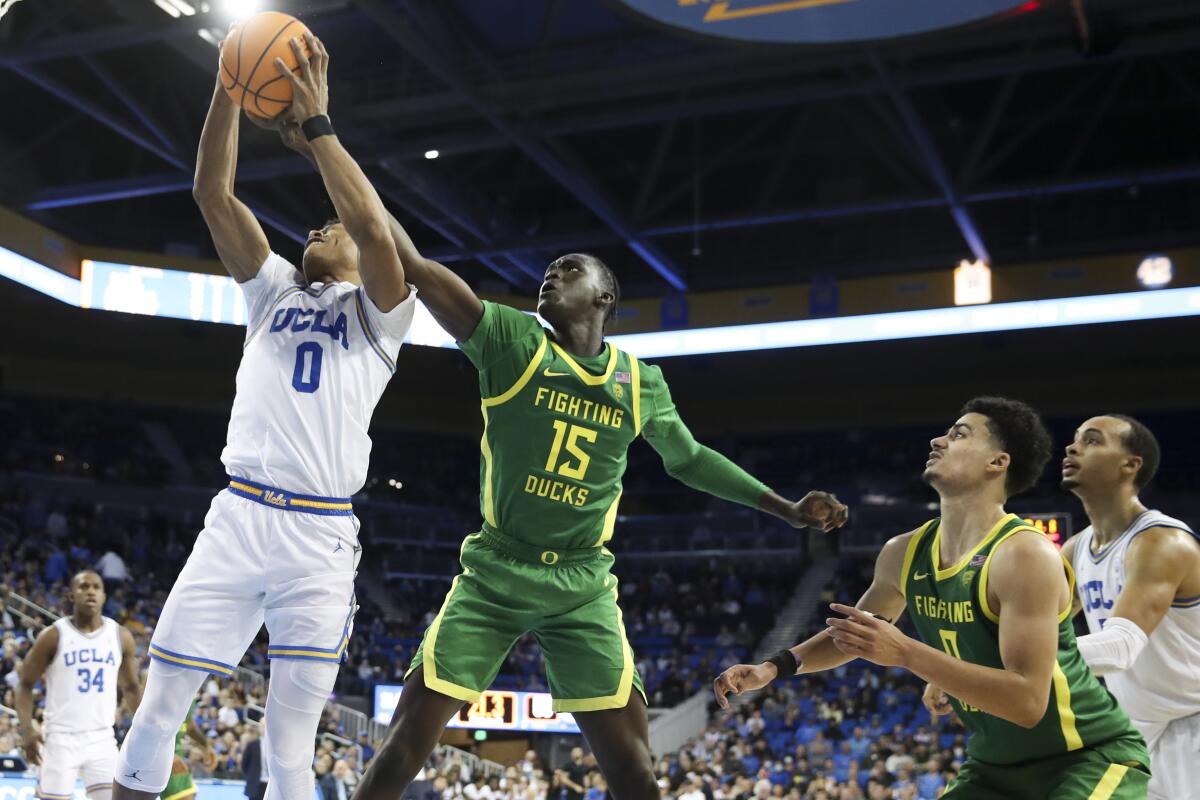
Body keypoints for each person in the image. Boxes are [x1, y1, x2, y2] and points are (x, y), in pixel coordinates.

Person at [261, 108, 845, 800]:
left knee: (631, 762)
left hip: (581, 584)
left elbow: (687, 458)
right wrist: (325, 141)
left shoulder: (638, 380)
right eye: (546, 269)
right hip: (496, 570)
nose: (549, 276)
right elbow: (408, 261)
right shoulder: (510, 340)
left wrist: (784, 509)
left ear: (603, 296)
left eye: (566, 269)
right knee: (410, 734)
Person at [112, 31, 417, 800]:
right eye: (317, 226)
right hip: (239, 518)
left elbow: (375, 229)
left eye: (331, 228)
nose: (320, 228)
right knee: (156, 712)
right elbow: (213, 194)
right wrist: (230, 83)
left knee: (288, 748)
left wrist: (319, 130)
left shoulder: (383, 315)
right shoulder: (273, 290)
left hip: (318, 538)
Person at [714, 398, 1151, 799]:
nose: (938, 439)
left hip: (1085, 758)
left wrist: (907, 653)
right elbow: (856, 633)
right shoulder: (903, 552)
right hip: (994, 767)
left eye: (960, 434)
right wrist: (774, 667)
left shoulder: (1024, 555)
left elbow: (1027, 703)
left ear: (998, 463)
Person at [1059, 415, 1200, 800]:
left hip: (1191, 724)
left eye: (1092, 441)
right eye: (1074, 441)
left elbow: (1119, 648)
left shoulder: (1162, 542)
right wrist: (959, 669)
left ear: (1130, 464)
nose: (1072, 448)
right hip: (1135, 729)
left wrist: (999, 661)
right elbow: (1033, 626)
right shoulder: (1076, 548)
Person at [15, 570, 142, 800]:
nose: (90, 591)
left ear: (104, 596)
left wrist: (145, 733)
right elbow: (24, 684)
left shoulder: (120, 636)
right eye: (84, 587)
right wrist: (27, 730)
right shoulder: (53, 636)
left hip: (102, 738)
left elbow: (131, 687)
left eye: (96, 587)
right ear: (71, 596)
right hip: (60, 739)